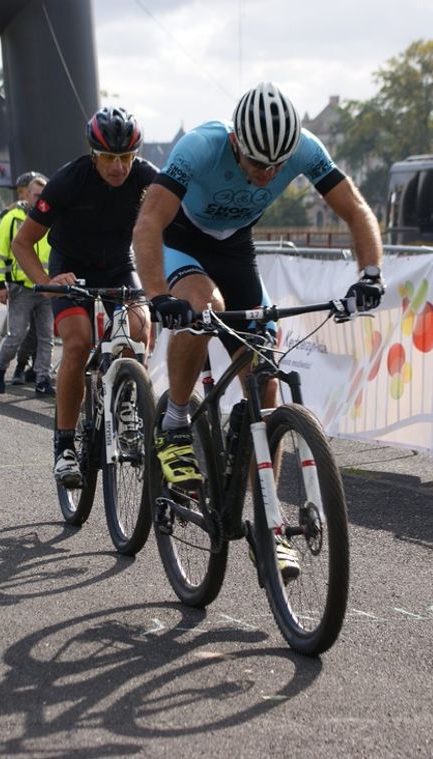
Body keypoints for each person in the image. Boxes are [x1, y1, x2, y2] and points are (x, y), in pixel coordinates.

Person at [132, 82, 385, 580]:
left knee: (266, 377)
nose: (267, 175)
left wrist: (372, 274)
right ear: (235, 144)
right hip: (181, 242)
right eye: (256, 164)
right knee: (206, 307)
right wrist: (160, 296)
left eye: (276, 166)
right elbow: (147, 225)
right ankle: (176, 420)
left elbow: (356, 210)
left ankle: (269, 520)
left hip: (234, 250)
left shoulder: (306, 149)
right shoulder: (200, 147)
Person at [10, 106, 156, 486]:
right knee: (77, 344)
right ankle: (65, 447)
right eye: (109, 157)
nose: (119, 167)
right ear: (94, 154)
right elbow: (22, 243)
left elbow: (177, 229)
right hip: (70, 266)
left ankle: (126, 404)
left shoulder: (147, 178)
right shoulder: (68, 181)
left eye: (126, 157)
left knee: (140, 328)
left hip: (119, 265)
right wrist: (48, 280)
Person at [0, 171, 54, 395]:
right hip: (22, 288)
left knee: (47, 337)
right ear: (27, 195)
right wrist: (0, 286)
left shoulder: (54, 218)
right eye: (35, 194)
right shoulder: (12, 218)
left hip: (47, 288)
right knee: (17, 334)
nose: (39, 198)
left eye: (43, 195)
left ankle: (42, 379)